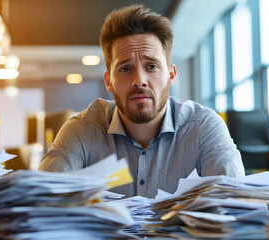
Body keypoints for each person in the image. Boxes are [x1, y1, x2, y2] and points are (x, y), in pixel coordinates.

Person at [39, 4, 244, 198]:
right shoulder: (82, 131)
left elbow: (235, 211)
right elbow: (42, 205)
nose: (139, 81)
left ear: (171, 76)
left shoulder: (204, 128)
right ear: (108, 81)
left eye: (152, 66)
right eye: (125, 69)